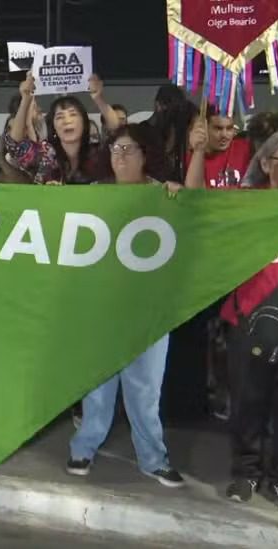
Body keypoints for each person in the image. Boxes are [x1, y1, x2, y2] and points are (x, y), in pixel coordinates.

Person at [67, 123, 185, 488]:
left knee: (145, 388)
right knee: (97, 386)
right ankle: (83, 448)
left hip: (149, 311)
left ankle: (153, 459)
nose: (120, 156)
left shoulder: (164, 195)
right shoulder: (95, 193)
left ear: (146, 154)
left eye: (129, 149)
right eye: (115, 149)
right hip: (102, 309)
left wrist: (179, 196)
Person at [221, 130, 278, 505]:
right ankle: (246, 472)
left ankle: (277, 477)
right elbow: (201, 209)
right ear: (265, 163)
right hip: (251, 314)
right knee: (248, 401)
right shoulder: (244, 204)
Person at [4, 72, 119, 185]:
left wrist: (98, 98)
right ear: (53, 126)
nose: (66, 121)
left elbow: (118, 133)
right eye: (59, 117)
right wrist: (25, 99)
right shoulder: (46, 155)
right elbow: (15, 146)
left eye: (73, 114)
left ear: (84, 123)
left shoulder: (97, 155)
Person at [184, 109, 253, 189]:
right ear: (205, 128)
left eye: (229, 128)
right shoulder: (194, 158)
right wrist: (199, 150)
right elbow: (195, 193)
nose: (224, 135)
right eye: (218, 128)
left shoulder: (244, 148)